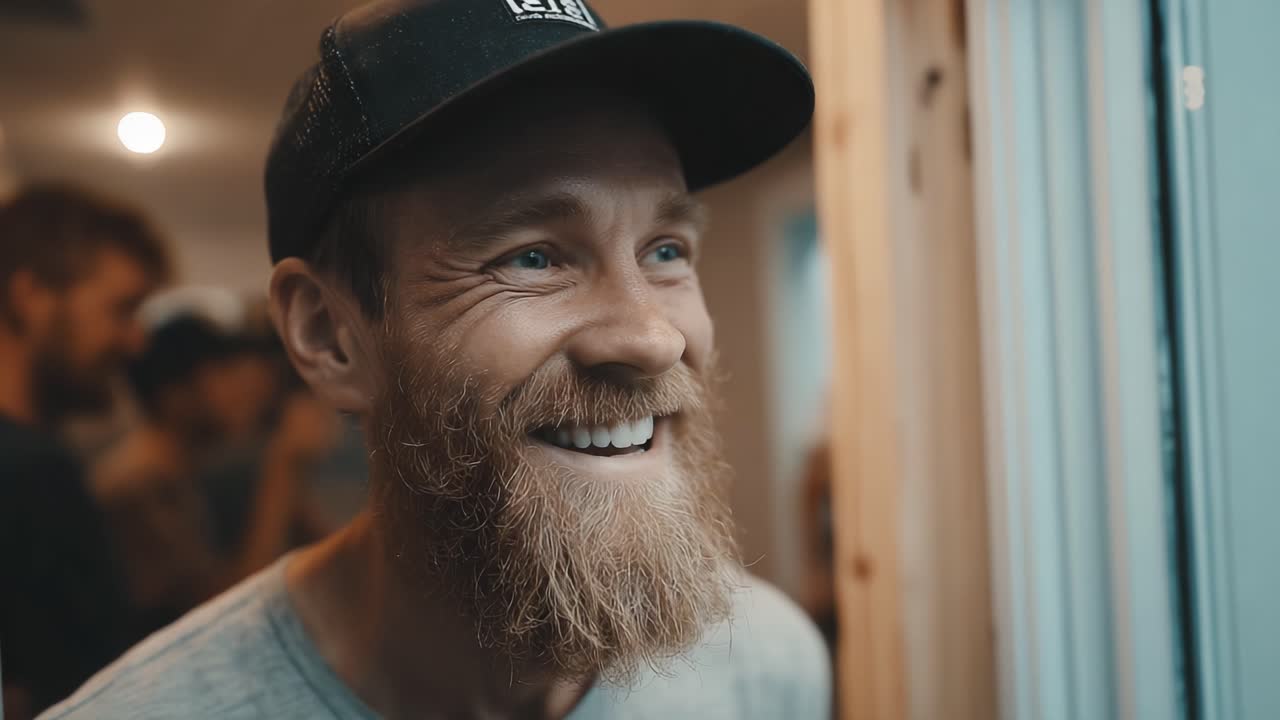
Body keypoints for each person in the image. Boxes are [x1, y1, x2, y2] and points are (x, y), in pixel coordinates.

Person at [42, 0, 828, 717]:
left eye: (665, 249)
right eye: (531, 258)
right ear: (328, 336)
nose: (652, 337)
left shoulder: (770, 670)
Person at [0, 184, 170, 718]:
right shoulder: (30, 470)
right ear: (31, 298)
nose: (136, 341)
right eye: (121, 310)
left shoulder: (42, 464)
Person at [92, 313, 338, 634]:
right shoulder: (139, 486)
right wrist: (285, 468)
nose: (244, 389)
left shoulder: (179, 473)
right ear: (174, 392)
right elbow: (224, 616)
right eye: (222, 374)